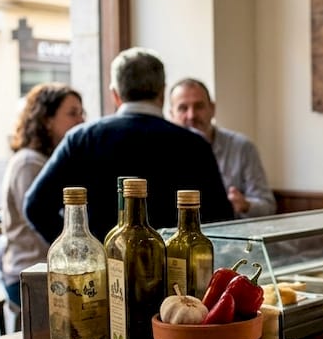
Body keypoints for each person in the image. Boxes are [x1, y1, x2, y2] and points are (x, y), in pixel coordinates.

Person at [24, 48, 234, 242]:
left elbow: (35, 207)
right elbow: (222, 221)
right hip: (174, 273)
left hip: (104, 274)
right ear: (162, 93)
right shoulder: (194, 145)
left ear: (115, 94)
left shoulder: (81, 139)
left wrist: (80, 249)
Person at [0, 83, 85, 312]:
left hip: (46, 269)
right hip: (29, 274)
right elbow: (37, 220)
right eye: (72, 113)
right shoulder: (29, 162)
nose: (81, 120)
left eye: (82, 112)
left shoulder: (45, 161)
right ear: (47, 120)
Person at [167, 78, 276, 218]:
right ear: (171, 114)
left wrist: (245, 205)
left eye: (199, 106)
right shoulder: (162, 152)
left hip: (232, 235)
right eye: (183, 108)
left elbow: (268, 205)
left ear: (212, 109)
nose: (191, 115)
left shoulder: (242, 147)